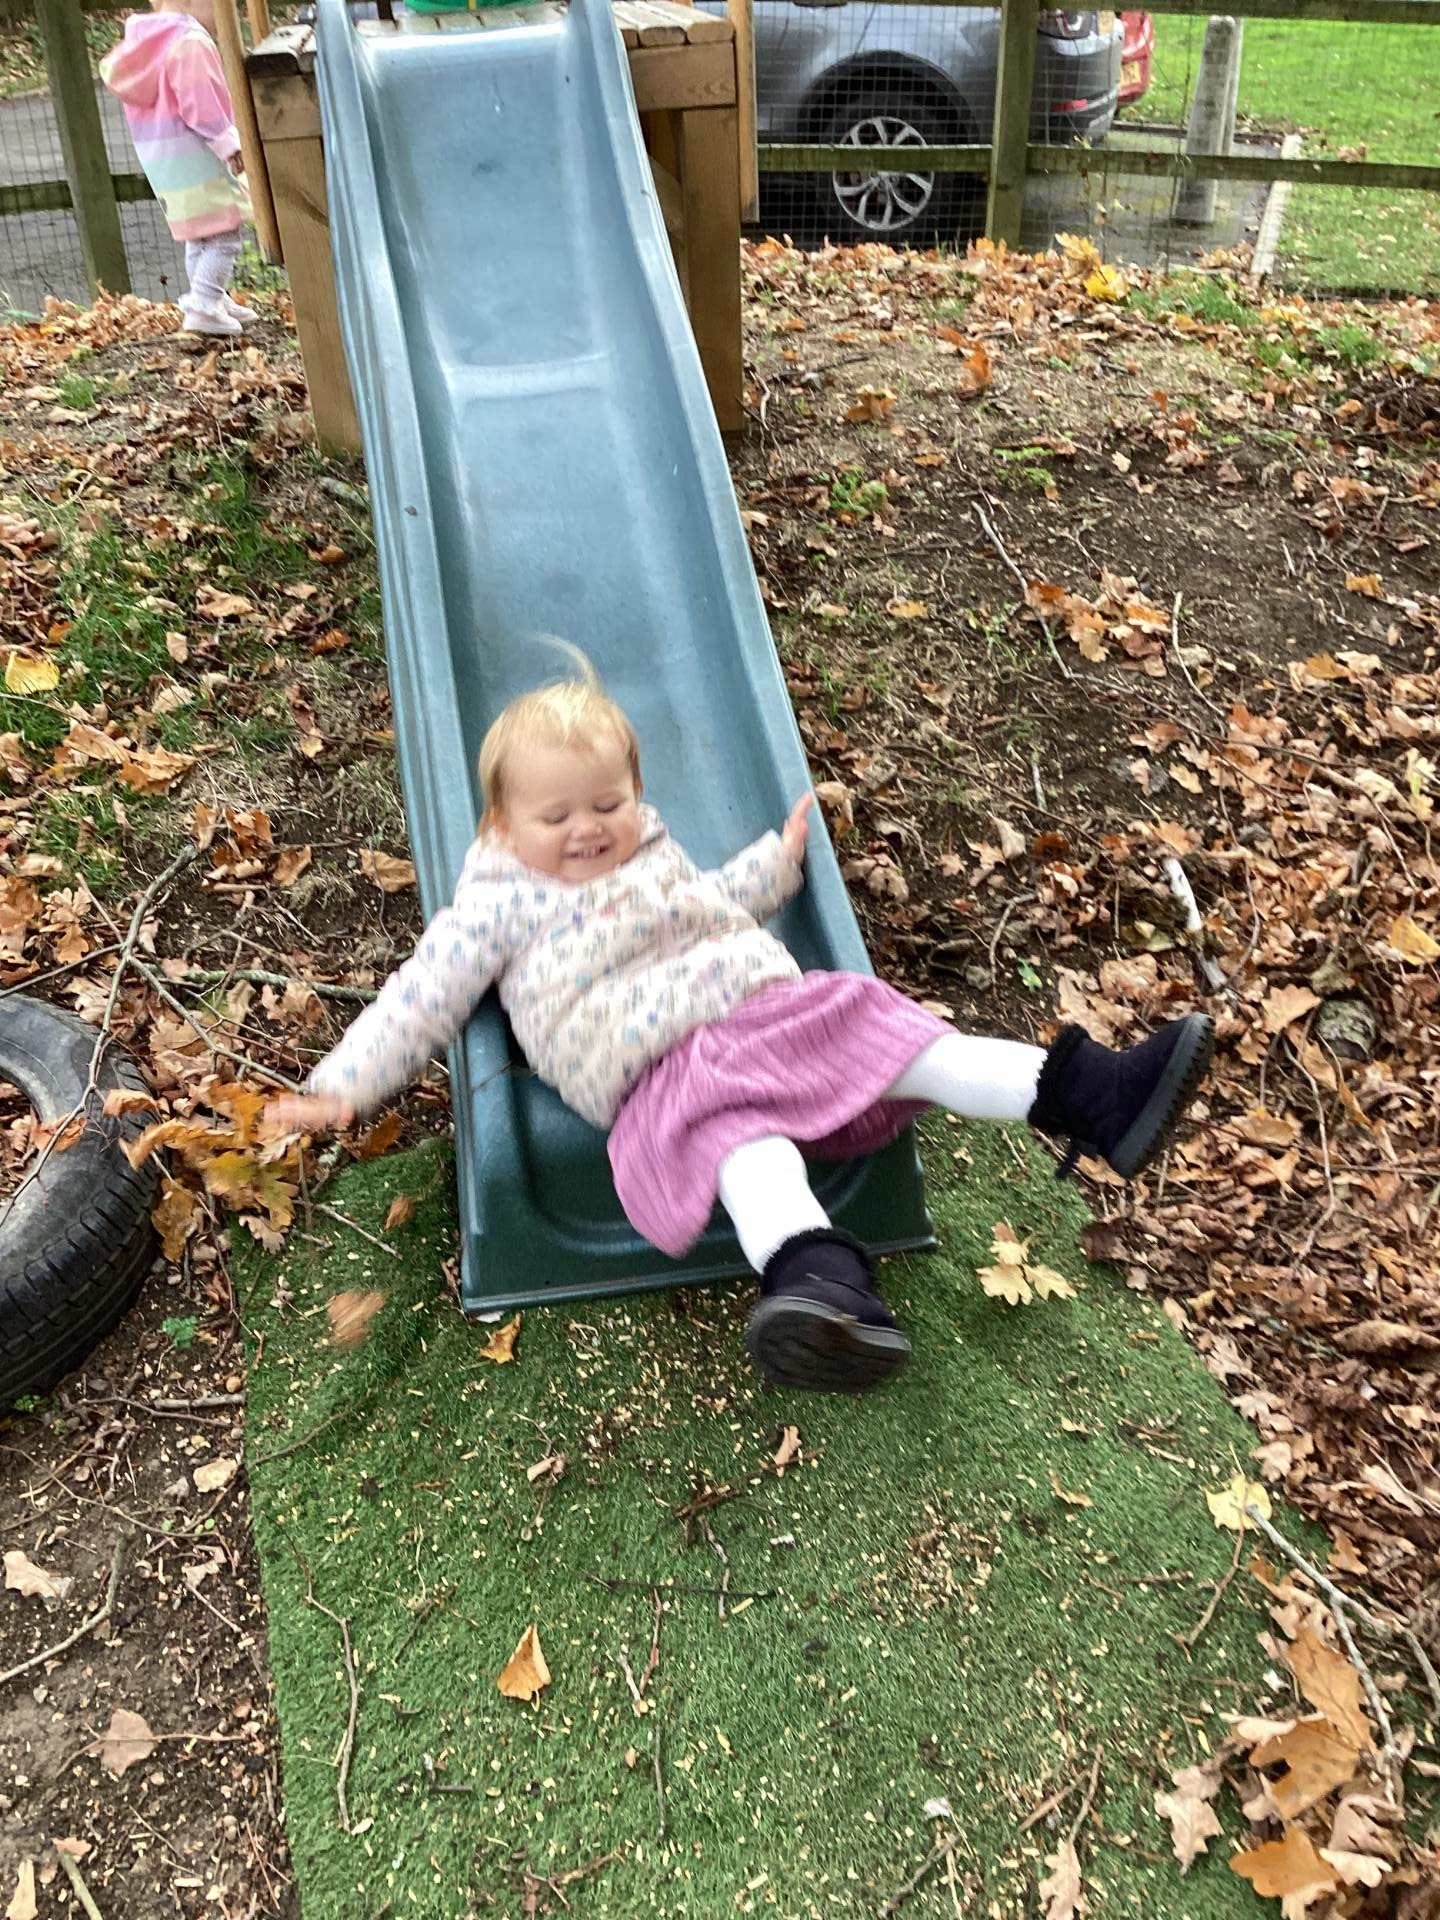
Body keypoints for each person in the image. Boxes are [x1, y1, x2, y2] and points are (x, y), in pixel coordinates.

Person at [270, 657, 1213, 1395]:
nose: (587, 828)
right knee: (742, 1146)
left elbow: (711, 900)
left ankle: (1093, 1095)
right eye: (555, 814)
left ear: (635, 794)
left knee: (894, 1032)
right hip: (658, 1066)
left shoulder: (650, 848)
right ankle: (819, 1284)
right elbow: (422, 996)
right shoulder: (494, 906)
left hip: (760, 1006)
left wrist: (775, 867)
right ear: (502, 825)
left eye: (607, 803)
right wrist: (342, 1086)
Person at [101, 0, 254, 338]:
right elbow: (202, 107)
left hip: (166, 165)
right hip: (200, 159)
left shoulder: (143, 44)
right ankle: (205, 303)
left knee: (199, 235)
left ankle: (212, 296)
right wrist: (231, 144)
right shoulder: (190, 42)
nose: (229, 14)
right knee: (225, 235)